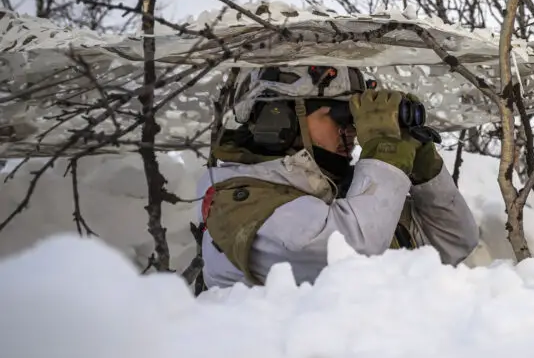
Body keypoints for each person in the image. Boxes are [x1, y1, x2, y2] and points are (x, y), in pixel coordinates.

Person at [194, 64, 479, 289]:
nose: (353, 131)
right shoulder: (239, 203)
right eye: (342, 117)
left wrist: (425, 168)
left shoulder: (339, 191)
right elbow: (352, 253)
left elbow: (453, 242)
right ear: (280, 118)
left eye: (356, 119)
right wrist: (385, 151)